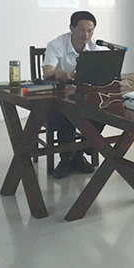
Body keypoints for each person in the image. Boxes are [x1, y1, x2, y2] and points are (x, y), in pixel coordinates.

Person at [43, 10, 100, 179]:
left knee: (101, 113)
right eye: (82, 30)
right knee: (66, 116)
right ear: (71, 28)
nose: (86, 35)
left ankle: (79, 154)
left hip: (82, 97)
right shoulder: (56, 45)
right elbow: (47, 73)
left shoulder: (94, 47)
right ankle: (66, 159)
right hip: (58, 98)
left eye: (90, 31)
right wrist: (57, 73)